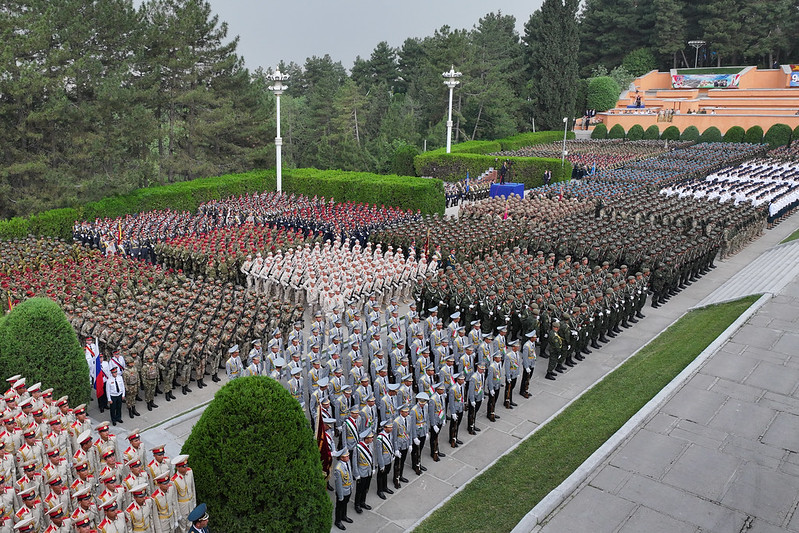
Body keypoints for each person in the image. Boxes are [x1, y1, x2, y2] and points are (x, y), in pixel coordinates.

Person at [331, 449, 353, 531]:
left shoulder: (347, 462)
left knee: (345, 504)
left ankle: (344, 516)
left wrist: (352, 486)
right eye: (346, 456)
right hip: (342, 491)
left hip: (348, 488)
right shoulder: (338, 469)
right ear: (342, 458)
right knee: (339, 507)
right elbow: (338, 484)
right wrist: (340, 496)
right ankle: (338, 521)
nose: (348, 457)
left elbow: (350, 474)